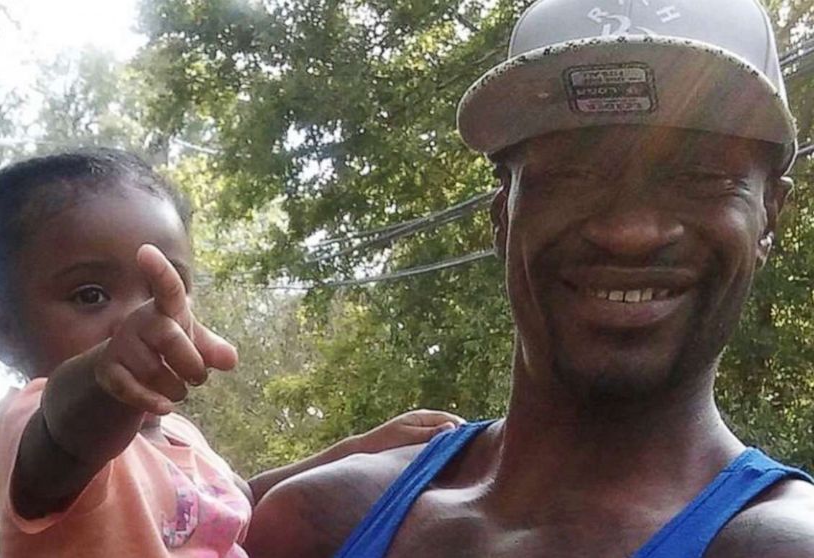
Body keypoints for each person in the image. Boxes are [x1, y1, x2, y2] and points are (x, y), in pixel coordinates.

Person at [244, 0, 814, 556]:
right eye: (572, 174)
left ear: (768, 217)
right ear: (503, 213)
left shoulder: (780, 543)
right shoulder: (322, 521)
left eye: (700, 176)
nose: (630, 232)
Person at [0, 148, 463, 557]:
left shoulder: (181, 435)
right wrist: (104, 375)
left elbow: (238, 500)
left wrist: (359, 449)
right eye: (90, 295)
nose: (147, 318)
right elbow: (64, 441)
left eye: (165, 292)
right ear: (1, 329)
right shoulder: (30, 422)